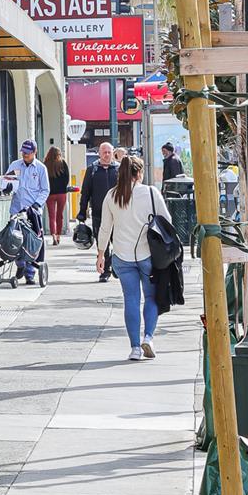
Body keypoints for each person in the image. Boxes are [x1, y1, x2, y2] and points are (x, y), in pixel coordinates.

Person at [97, 154, 173, 360]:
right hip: (149, 255)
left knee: (131, 299)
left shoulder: (112, 196)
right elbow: (167, 220)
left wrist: (101, 254)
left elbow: (105, 229)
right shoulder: (150, 193)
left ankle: (134, 348)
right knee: (151, 297)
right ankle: (148, 337)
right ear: (139, 173)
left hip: (122, 256)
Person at [1, 140, 50, 284]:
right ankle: (20, 265)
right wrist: (6, 188)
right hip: (17, 209)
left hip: (33, 211)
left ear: (34, 153)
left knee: (32, 241)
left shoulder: (40, 168)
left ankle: (30, 272)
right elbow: (5, 183)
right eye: (23, 152)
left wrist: (37, 204)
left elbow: (45, 189)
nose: (25, 155)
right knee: (15, 239)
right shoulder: (15, 165)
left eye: (28, 153)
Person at [78, 142, 119, 282]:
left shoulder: (118, 169)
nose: (107, 155)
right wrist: (82, 211)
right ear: (99, 154)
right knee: (103, 243)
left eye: (109, 152)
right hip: (99, 213)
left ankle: (117, 266)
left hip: (118, 213)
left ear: (113, 153)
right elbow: (85, 192)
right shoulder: (93, 170)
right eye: (104, 152)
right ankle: (105, 270)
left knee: (118, 241)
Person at [44, 146, 70, 244]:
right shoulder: (62, 164)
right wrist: (63, 186)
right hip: (61, 193)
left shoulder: (46, 164)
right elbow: (67, 178)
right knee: (60, 215)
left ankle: (53, 236)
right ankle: (59, 236)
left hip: (50, 194)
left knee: (52, 216)